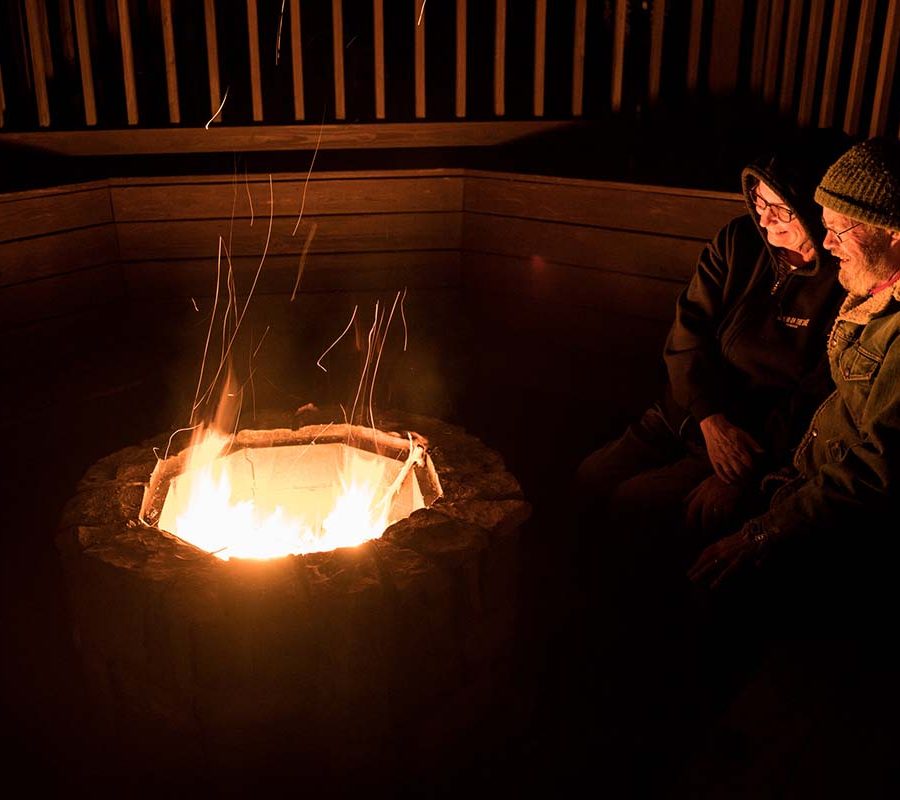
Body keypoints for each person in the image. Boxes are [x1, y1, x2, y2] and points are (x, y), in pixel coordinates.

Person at [573, 129, 852, 574]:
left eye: (780, 208)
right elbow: (688, 331)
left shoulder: (842, 280)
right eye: (759, 203)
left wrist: (744, 476)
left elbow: (818, 398)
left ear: (815, 209)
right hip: (688, 412)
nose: (765, 220)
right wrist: (707, 415)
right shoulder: (738, 242)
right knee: (590, 477)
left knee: (635, 503)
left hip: (752, 444)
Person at [689, 135, 900, 607]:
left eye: (838, 231)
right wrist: (706, 414)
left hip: (823, 511)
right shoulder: (868, 287)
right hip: (787, 474)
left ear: (892, 231)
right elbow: (689, 335)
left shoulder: (878, 309)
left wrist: (763, 530)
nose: (827, 244)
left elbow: (877, 468)